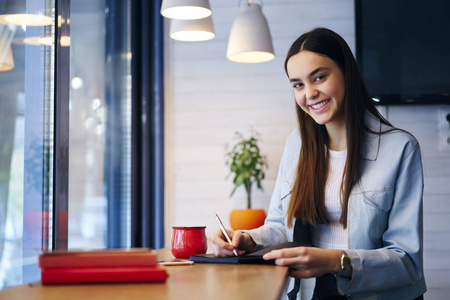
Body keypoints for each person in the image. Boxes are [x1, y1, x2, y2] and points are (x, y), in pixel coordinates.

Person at [212, 28, 426, 300]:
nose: (310, 93)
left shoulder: (401, 148)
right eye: (298, 84)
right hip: (319, 289)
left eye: (319, 77)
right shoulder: (297, 144)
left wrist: (335, 260)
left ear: (347, 73)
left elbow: (407, 261)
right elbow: (281, 225)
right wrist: (247, 238)